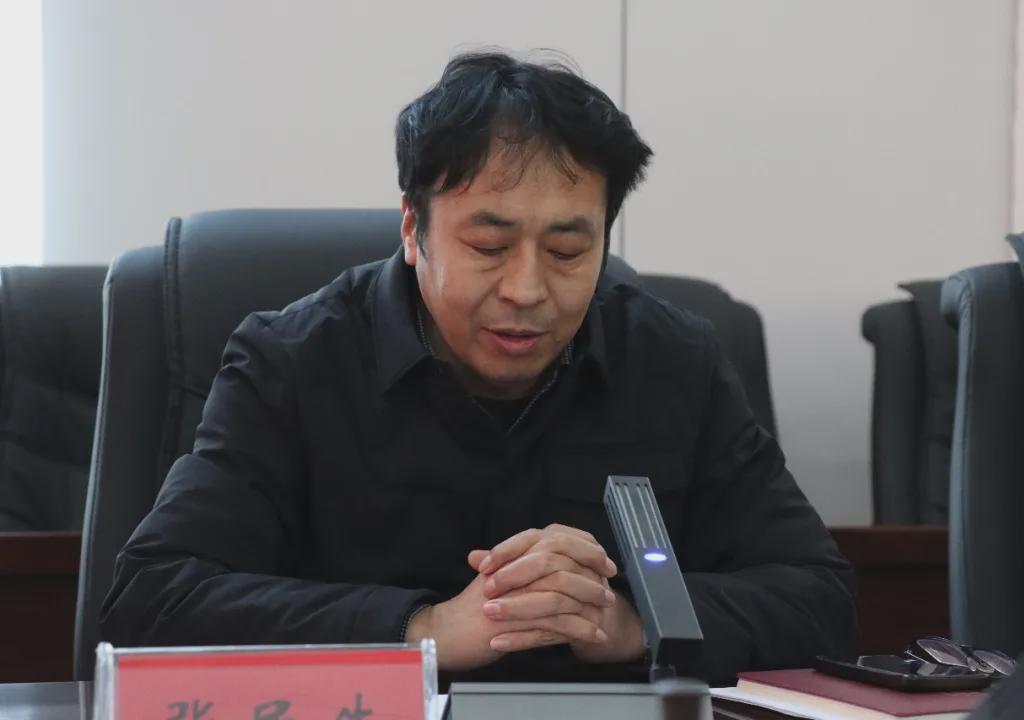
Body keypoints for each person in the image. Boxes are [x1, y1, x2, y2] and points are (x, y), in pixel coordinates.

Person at [101, 51, 856, 686]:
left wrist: (632, 622)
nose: (527, 289)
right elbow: (155, 599)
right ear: (413, 229)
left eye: (567, 251)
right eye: (488, 246)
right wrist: (425, 629)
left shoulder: (674, 360)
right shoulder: (292, 362)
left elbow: (818, 596)